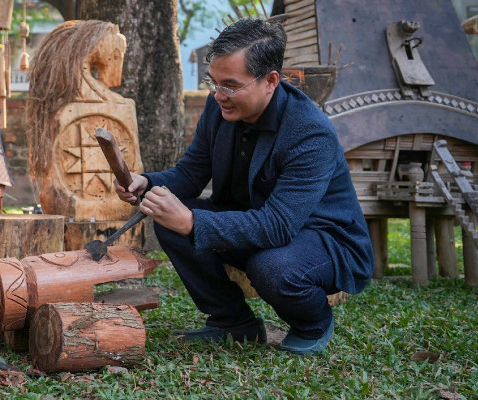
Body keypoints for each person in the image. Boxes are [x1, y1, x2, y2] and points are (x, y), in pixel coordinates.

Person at [117, 18, 374, 355]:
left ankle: (313, 324)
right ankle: (233, 321)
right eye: (213, 82)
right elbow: (192, 172)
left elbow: (278, 226)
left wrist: (192, 222)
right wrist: (146, 182)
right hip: (257, 222)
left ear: (270, 81)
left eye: (230, 85)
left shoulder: (310, 132)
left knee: (271, 266)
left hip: (323, 238)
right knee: (170, 220)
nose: (218, 94)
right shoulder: (219, 106)